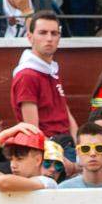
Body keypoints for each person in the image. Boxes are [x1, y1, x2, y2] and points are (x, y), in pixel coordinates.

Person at [11, 10, 77, 142]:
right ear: (30, 37)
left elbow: (65, 110)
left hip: (66, 142)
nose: (49, 38)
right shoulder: (27, 75)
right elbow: (33, 131)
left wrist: (79, 143)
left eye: (54, 33)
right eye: (43, 33)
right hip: (49, 146)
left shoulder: (50, 69)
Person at [0, 122, 60, 189]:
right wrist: (4, 134)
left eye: (19, 159)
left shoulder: (48, 182)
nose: (13, 165)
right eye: (11, 159)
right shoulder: (12, 181)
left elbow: (3, 182)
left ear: (38, 160)